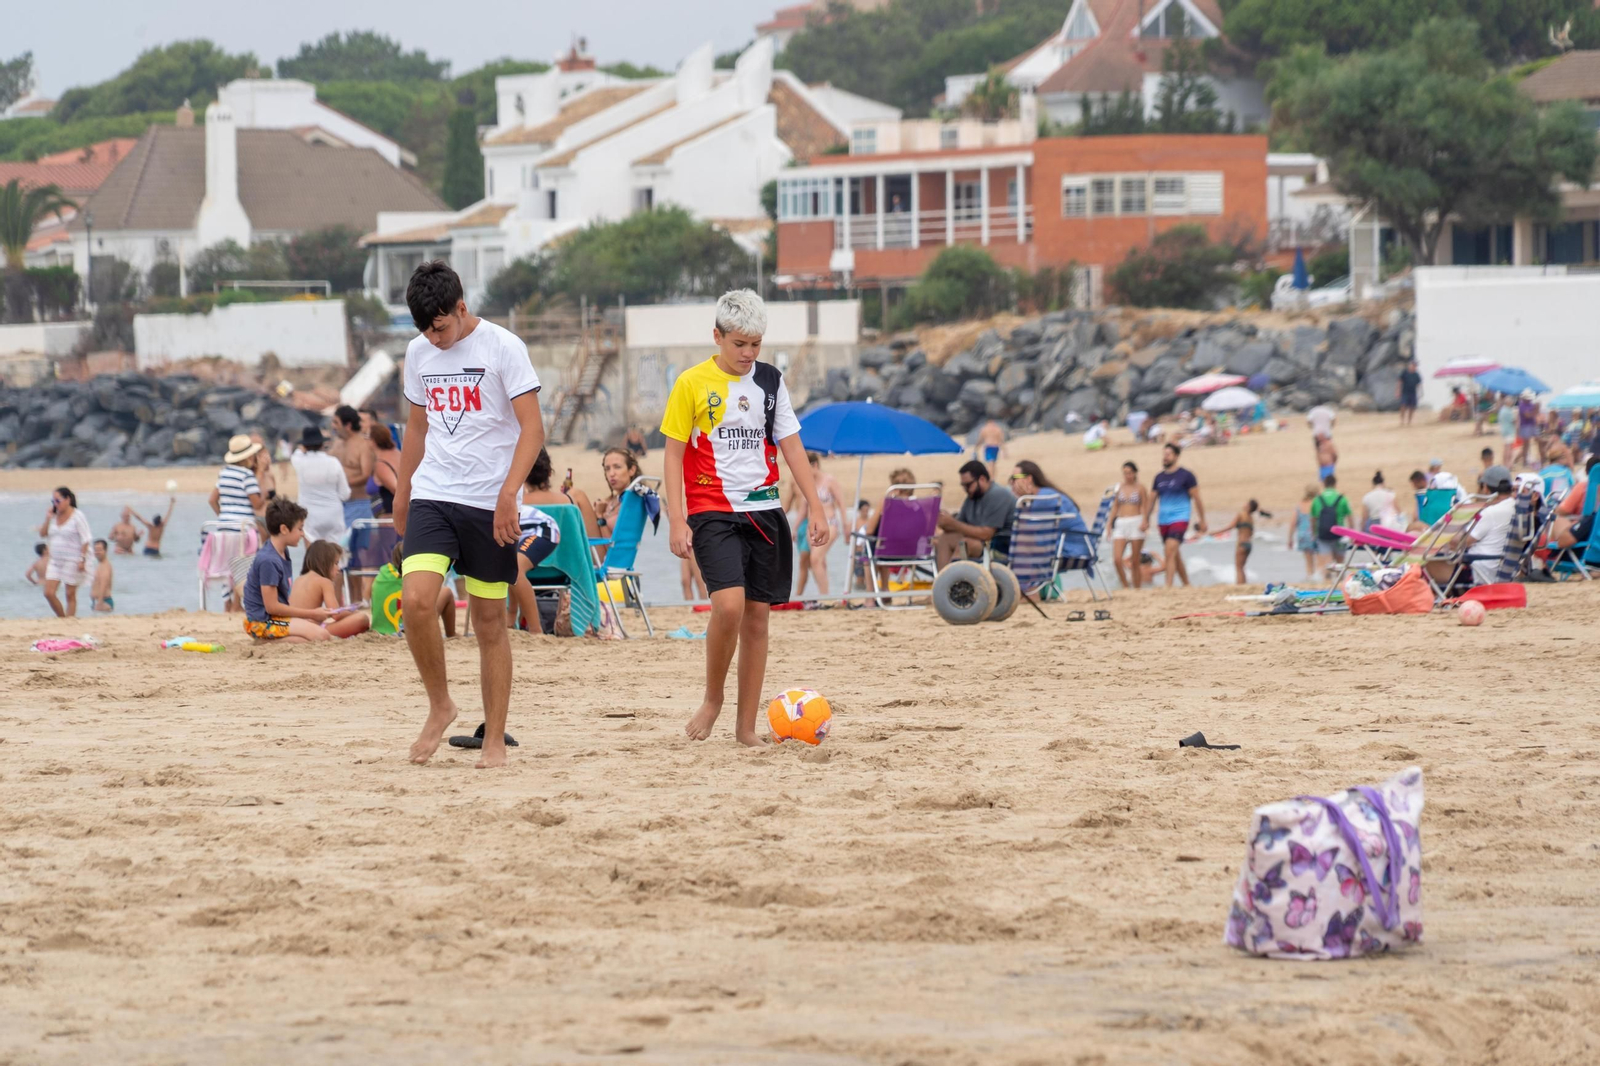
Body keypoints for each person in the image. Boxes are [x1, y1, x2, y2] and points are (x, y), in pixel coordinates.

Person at [661, 289, 829, 746]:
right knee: (728, 606)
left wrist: (815, 506)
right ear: (717, 337)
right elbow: (673, 455)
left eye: (755, 344)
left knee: (758, 618)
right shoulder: (691, 383)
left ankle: (746, 727)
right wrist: (677, 520)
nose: (748, 354)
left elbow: (792, 445)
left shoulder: (771, 381)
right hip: (711, 509)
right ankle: (713, 698)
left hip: (765, 511)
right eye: (739, 344)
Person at [394, 261, 543, 769]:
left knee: (488, 622)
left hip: (489, 501)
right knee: (416, 601)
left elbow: (533, 431)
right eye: (424, 330)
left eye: (439, 327)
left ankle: (495, 738)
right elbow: (417, 428)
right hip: (434, 491)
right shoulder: (418, 352)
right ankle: (441, 705)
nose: (433, 340)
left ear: (461, 307)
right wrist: (402, 490)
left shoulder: (504, 347)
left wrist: (509, 495)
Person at [242, 499, 332, 643]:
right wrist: (312, 613)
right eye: (300, 528)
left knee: (306, 638)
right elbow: (272, 607)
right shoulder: (269, 560)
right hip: (263, 623)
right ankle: (264, 641)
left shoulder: (282, 552)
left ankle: (268, 641)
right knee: (321, 636)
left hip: (277, 620)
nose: (302, 534)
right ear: (284, 529)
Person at [1427, 466, 1514, 588]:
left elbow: (1459, 543)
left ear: (1485, 487)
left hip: (1477, 572)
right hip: (1499, 569)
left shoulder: (1491, 513)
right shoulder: (1514, 507)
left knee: (1423, 560)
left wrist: (1433, 534)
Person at [1142, 443, 1205, 587]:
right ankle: (1187, 584)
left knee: (1169, 550)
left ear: (1176, 456)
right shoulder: (1159, 478)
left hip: (1180, 518)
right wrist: (1145, 519)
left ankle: (1168, 586)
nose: (1165, 457)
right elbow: (1151, 500)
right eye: (1164, 454)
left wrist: (1202, 520)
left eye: (1168, 454)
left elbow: (1197, 498)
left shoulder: (1186, 476)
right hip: (1163, 521)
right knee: (1174, 554)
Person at [935, 460, 1016, 568]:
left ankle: (954, 580)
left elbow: (987, 534)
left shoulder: (997, 495)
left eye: (968, 485)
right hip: (982, 543)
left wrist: (953, 524)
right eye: (963, 485)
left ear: (982, 479)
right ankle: (943, 581)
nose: (965, 489)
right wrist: (946, 523)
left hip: (999, 546)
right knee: (944, 539)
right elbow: (960, 524)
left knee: (964, 544)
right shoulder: (973, 497)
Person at [291, 539, 371, 638]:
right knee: (362, 619)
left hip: (294, 627)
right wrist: (352, 612)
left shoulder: (299, 579)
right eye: (336, 563)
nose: (339, 568)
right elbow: (336, 614)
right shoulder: (324, 582)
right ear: (325, 562)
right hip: (312, 629)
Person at [789, 451, 844, 598]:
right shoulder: (808, 484)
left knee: (815, 559)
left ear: (814, 465)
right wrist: (794, 529)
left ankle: (824, 596)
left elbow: (841, 504)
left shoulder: (830, 481)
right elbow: (803, 509)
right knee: (820, 561)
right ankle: (825, 594)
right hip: (811, 526)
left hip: (830, 523)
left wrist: (846, 526)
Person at [291, 425, 350, 544]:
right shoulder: (333, 462)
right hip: (333, 513)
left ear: (304, 445)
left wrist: (302, 447)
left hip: (310, 515)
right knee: (335, 553)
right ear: (322, 444)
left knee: (312, 554)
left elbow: (296, 453)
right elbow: (345, 494)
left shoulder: (299, 462)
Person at [39, 486, 92, 617]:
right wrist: (48, 517)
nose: (55, 504)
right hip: (55, 560)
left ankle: (69, 620)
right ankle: (62, 618)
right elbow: (42, 533)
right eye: (53, 502)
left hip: (72, 559)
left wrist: (82, 559)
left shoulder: (77, 516)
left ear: (67, 499)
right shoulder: (54, 517)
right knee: (49, 593)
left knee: (70, 593)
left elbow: (86, 539)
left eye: (58, 501)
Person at [332, 405, 377, 535]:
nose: (333, 426)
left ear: (348, 425)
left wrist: (344, 484)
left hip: (359, 504)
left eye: (336, 422)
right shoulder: (337, 444)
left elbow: (366, 475)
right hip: (338, 505)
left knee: (357, 548)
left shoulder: (363, 445)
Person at [211, 435, 265, 529]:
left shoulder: (223, 473)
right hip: (243, 528)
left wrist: (224, 517)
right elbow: (257, 505)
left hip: (224, 527)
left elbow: (212, 500)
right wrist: (265, 493)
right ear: (249, 456)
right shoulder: (247, 475)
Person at [1108, 461, 1147, 589]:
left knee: (1135, 560)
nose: (1128, 476)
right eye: (1125, 473)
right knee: (1117, 559)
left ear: (1135, 473)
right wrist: (1109, 525)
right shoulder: (1119, 488)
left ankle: (1137, 588)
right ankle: (1125, 585)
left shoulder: (1140, 488)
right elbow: (1115, 507)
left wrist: (1145, 520)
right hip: (1121, 522)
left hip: (1136, 520)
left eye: (1130, 473)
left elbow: (1144, 506)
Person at [594, 447, 643, 543]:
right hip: (596, 551)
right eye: (607, 469)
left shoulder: (634, 502)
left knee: (578, 495)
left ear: (631, 470)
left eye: (617, 467)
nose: (611, 474)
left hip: (612, 554)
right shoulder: (609, 501)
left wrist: (600, 517)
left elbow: (614, 546)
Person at [1211, 500, 1266, 585]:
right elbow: (1251, 533)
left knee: (1238, 567)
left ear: (1248, 506)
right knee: (1242, 567)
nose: (1244, 504)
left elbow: (1230, 527)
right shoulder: (1251, 518)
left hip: (1242, 543)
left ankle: (1239, 585)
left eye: (1246, 503)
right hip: (1249, 544)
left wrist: (1216, 532)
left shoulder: (1241, 514)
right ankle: (1243, 585)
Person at [1309, 475, 1351, 572]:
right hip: (1340, 534)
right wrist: (1351, 535)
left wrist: (1313, 534)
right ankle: (1339, 582)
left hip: (1323, 534)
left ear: (1324, 484)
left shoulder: (1317, 499)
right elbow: (1350, 518)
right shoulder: (1342, 498)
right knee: (1340, 565)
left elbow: (1313, 519)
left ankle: (1327, 583)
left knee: (1327, 564)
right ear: (1335, 484)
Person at [368, 422, 402, 517]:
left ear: (373, 441)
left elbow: (396, 490)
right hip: (394, 516)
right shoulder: (397, 454)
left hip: (389, 518)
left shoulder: (381, 465)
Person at [1291, 483, 1320, 578]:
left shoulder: (1300, 504)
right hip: (1315, 533)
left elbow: (1293, 523)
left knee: (1308, 562)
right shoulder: (1318, 504)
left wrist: (1290, 538)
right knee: (1319, 559)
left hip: (1303, 535)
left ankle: (1310, 576)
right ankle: (1318, 578)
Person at [1516, 390, 1540, 467]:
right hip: (1525, 426)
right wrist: (1535, 410)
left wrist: (1536, 409)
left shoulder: (1530, 404)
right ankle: (1524, 461)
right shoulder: (1522, 405)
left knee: (1539, 440)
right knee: (1526, 444)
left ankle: (1539, 458)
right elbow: (1528, 415)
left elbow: (1535, 414)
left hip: (1532, 425)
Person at [90, 539, 113, 612]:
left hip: (103, 602)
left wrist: (100, 602)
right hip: (99, 601)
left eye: (100, 550)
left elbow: (104, 584)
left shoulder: (105, 566)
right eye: (95, 550)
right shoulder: (100, 564)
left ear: (105, 551)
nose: (97, 552)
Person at [1398, 360, 1421, 426]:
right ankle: (1402, 420)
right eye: (1413, 365)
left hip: (1413, 393)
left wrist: (1420, 393)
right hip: (1405, 392)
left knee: (1412, 407)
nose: (1414, 367)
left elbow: (1419, 384)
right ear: (1410, 365)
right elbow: (1400, 381)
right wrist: (1398, 391)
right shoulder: (1405, 373)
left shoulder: (1416, 374)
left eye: (1415, 366)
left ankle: (1409, 421)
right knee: (1403, 405)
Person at [1497, 394, 1518, 466]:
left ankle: (1505, 463)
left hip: (1503, 430)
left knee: (1506, 448)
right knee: (1509, 449)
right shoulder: (1508, 411)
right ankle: (1508, 464)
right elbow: (1513, 421)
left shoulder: (1502, 410)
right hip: (1509, 431)